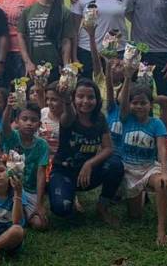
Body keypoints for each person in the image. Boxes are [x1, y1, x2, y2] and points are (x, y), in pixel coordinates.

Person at [106, 65, 167, 245]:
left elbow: (162, 149)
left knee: (162, 184)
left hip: (149, 168)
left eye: (143, 102)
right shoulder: (126, 118)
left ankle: (161, 229)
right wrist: (127, 77)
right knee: (135, 215)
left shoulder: (156, 123)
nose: (139, 106)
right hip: (129, 170)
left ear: (151, 104)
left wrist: (164, 172)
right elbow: (121, 99)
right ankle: (139, 195)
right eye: (135, 102)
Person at [48, 80, 123, 225]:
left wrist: (89, 163)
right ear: (74, 98)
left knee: (116, 165)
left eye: (91, 97)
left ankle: (102, 206)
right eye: (80, 96)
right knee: (61, 209)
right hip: (64, 171)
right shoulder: (69, 116)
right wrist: (67, 100)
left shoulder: (100, 119)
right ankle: (68, 196)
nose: (85, 101)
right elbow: (68, 114)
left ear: (97, 99)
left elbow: (108, 148)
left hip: (87, 174)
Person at [71, 0, 133, 79]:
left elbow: (131, 17)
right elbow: (74, 29)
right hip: (87, 50)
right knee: (90, 91)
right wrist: (74, 56)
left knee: (116, 91)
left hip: (118, 51)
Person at [0, 94, 50, 230]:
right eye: (24, 119)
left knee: (40, 225)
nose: (29, 123)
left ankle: (22, 213)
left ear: (39, 124)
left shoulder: (42, 145)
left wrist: (39, 204)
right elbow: (4, 126)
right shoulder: (12, 137)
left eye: (33, 120)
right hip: (10, 186)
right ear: (17, 121)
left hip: (30, 190)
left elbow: (41, 175)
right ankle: (17, 213)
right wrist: (9, 107)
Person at [18, 0, 74, 81]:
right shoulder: (28, 11)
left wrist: (66, 65)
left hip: (54, 66)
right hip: (33, 67)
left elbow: (66, 41)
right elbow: (21, 36)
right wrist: (27, 62)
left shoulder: (64, 12)